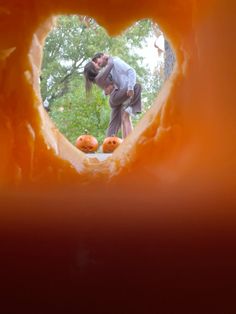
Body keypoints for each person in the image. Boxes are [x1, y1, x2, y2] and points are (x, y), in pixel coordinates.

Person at [84, 56, 142, 138]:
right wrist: (109, 57)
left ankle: (108, 141)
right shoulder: (99, 77)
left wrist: (106, 90)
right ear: (92, 68)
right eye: (95, 64)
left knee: (114, 122)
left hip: (114, 98)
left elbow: (107, 83)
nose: (97, 64)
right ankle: (131, 108)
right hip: (115, 96)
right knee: (136, 87)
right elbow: (111, 64)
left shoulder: (98, 78)